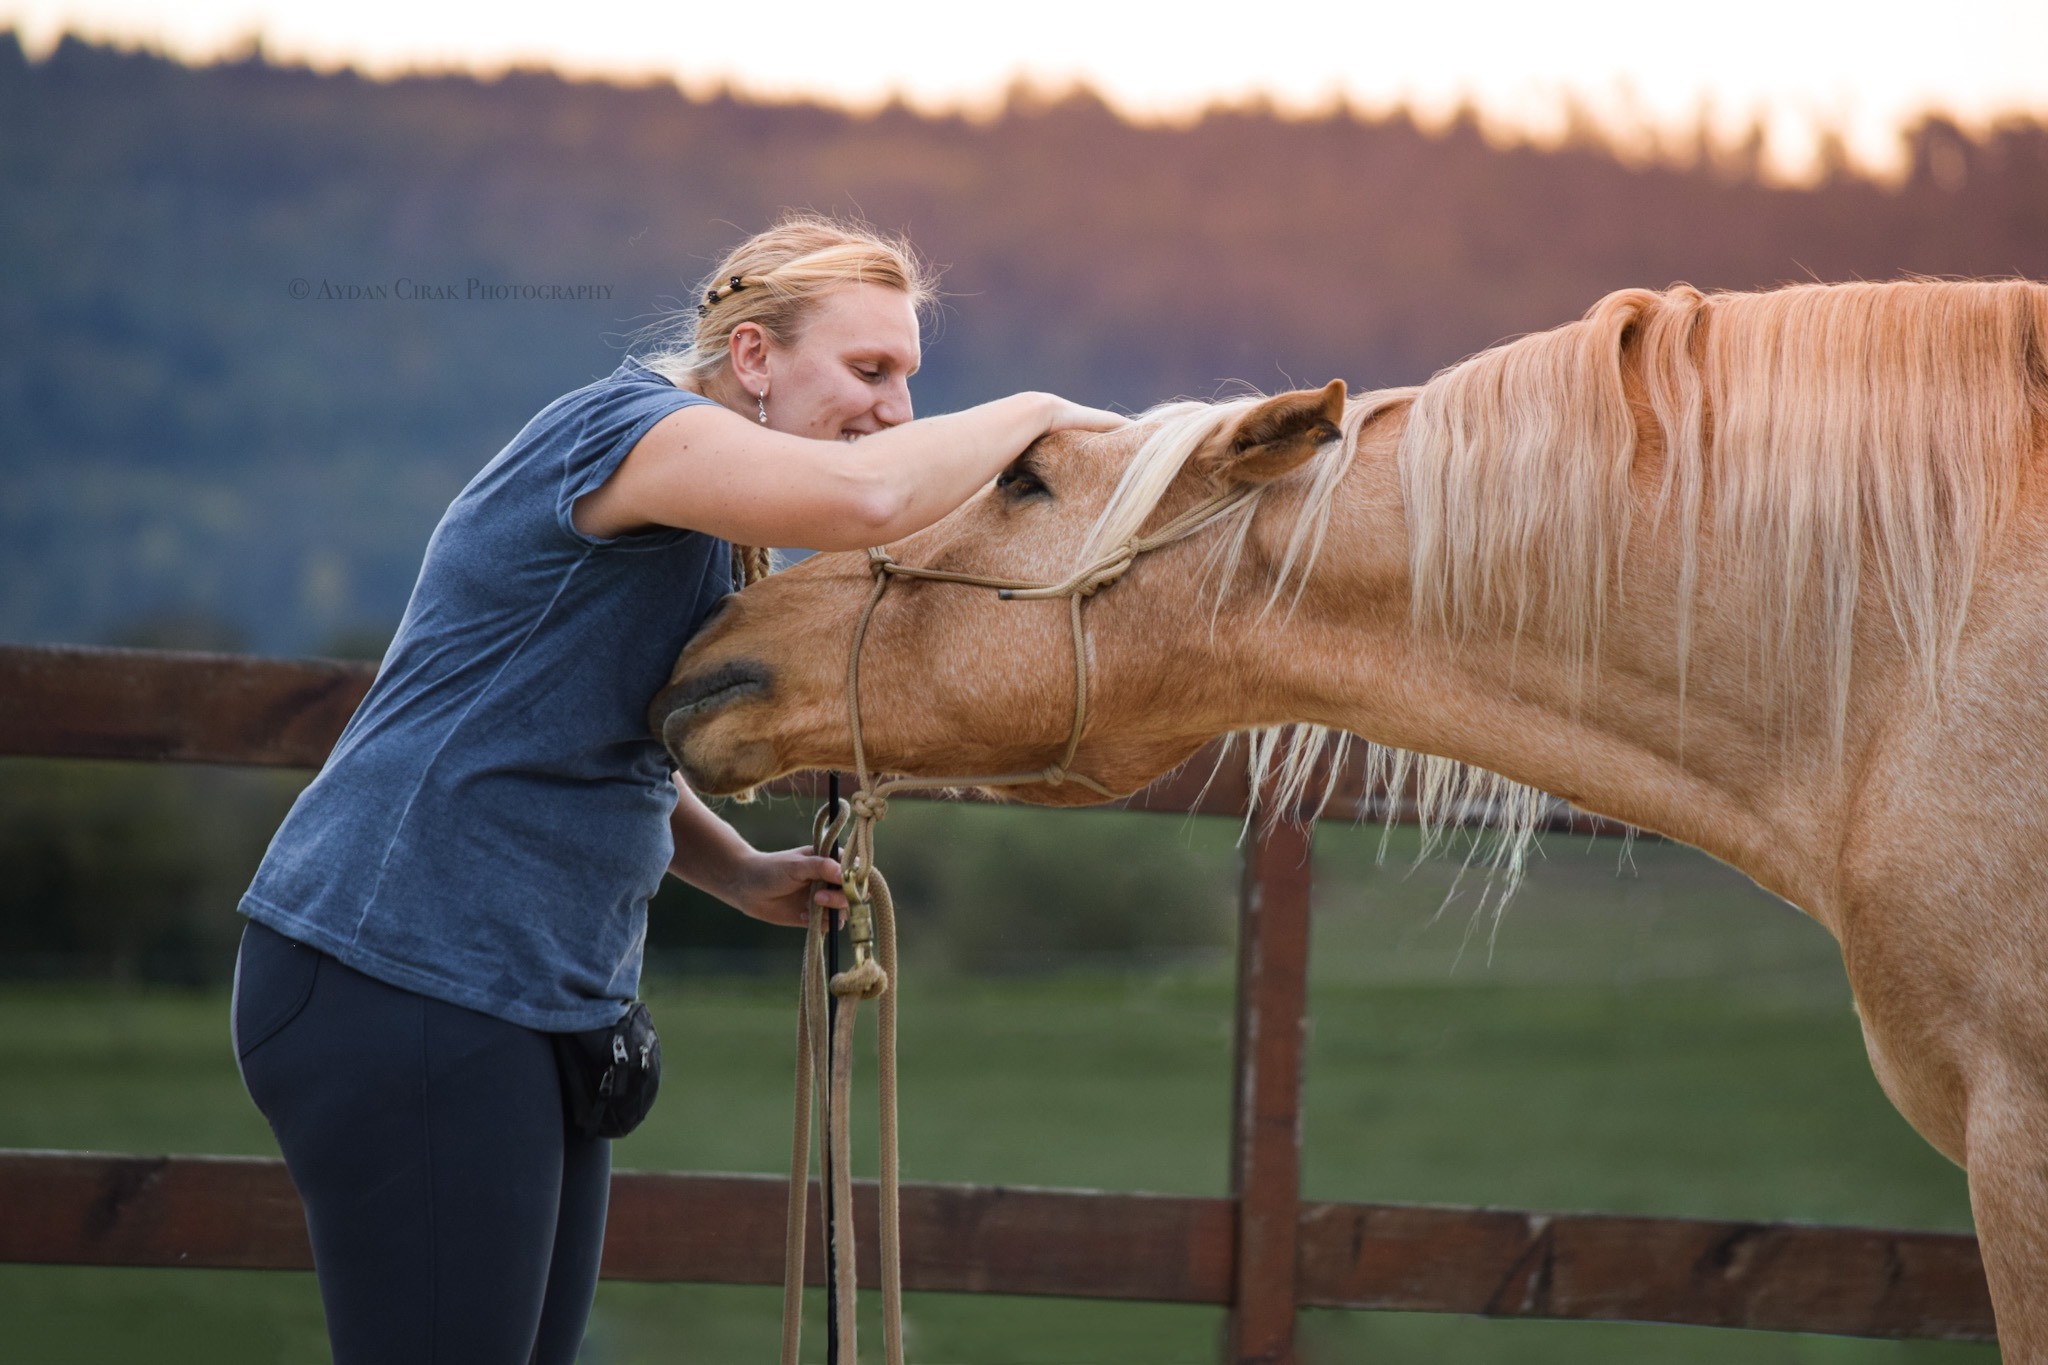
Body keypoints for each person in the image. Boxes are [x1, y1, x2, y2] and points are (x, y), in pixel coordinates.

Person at [229, 214, 1125, 1364]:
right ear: (750, 356)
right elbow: (867, 501)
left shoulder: (697, 511)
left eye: (908, 376)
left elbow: (595, 735)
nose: (894, 408)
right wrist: (1039, 411)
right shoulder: (635, 434)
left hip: (517, 993)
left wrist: (735, 870)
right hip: (404, 968)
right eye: (869, 370)